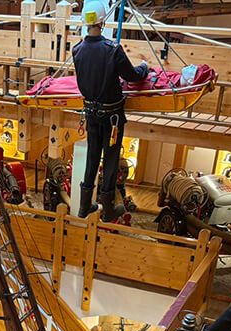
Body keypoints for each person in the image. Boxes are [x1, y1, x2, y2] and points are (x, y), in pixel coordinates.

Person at [72, 0, 148, 222]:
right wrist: (144, 67)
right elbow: (132, 76)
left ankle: (84, 206)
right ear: (102, 21)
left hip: (91, 114)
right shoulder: (112, 50)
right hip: (112, 116)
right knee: (111, 159)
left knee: (92, 158)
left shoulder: (77, 50)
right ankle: (107, 209)